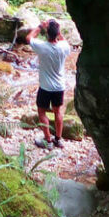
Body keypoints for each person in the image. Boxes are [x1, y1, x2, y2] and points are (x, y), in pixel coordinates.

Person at [26, 17, 72, 149]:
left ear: (46, 33)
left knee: (41, 112)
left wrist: (40, 26)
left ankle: (48, 140)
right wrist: (57, 30)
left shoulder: (42, 46)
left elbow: (29, 38)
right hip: (59, 87)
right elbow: (63, 40)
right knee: (58, 111)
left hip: (45, 87)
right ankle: (58, 139)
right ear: (58, 33)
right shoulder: (64, 47)